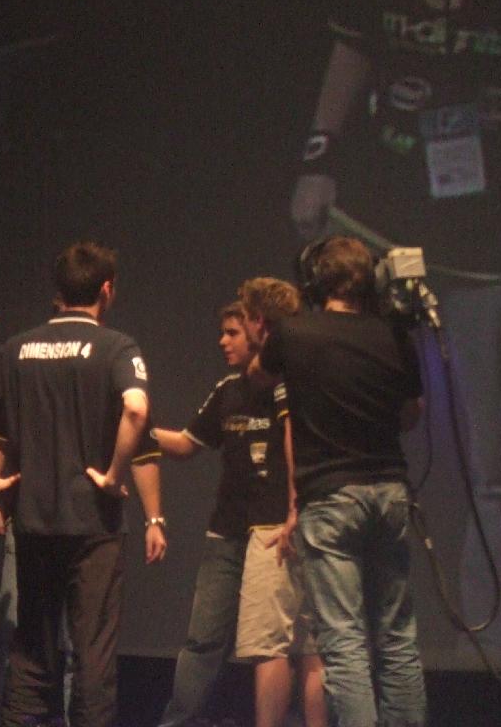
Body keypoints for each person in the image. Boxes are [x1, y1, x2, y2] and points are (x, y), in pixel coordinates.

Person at [288, 0, 501, 647]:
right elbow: (352, 47)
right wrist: (318, 158)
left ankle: (489, 653)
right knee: (358, 445)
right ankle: (350, 634)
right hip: (385, 232)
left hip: (496, 257)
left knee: (494, 465)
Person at [0, 241, 166, 727]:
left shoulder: (18, 348)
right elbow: (136, 409)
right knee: (93, 655)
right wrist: (113, 476)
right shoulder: (117, 347)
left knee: (31, 652)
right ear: (106, 290)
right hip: (94, 528)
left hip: (34, 524)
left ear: (59, 290)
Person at [258, 237, 426, 727]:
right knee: (397, 638)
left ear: (316, 281)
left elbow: (259, 374)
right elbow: (411, 415)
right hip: (389, 493)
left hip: (329, 499)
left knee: (344, 641)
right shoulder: (396, 335)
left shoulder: (293, 332)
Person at [156, 299, 324, 727]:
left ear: (257, 333)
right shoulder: (228, 390)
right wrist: (140, 430)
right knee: (202, 639)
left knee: (289, 643)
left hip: (274, 529)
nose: (223, 341)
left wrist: (295, 511)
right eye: (222, 332)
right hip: (228, 530)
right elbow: (186, 444)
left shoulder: (291, 386)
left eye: (233, 332)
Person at [234, 282, 327, 727]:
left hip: (280, 521)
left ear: (259, 321)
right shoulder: (315, 356)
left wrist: (292, 508)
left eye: (244, 319)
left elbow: (294, 437)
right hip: (322, 514)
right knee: (313, 646)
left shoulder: (284, 363)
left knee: (269, 644)